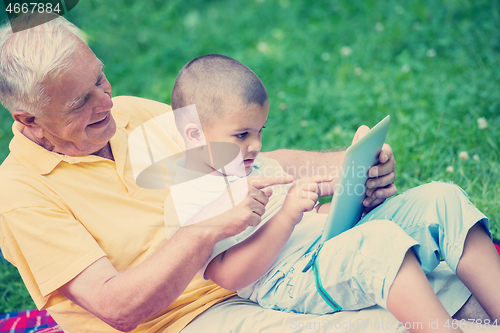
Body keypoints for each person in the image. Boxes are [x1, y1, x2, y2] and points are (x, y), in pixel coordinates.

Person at [0, 14, 493, 333]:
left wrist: (350, 166)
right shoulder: (21, 195)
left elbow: (240, 160)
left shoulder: (128, 113)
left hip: (280, 257)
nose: (106, 101)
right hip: (189, 318)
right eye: (81, 100)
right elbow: (119, 306)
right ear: (29, 119)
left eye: (100, 77)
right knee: (388, 315)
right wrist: (219, 226)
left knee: (440, 262)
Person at [161, 54, 498, 333]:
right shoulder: (190, 198)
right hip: (287, 278)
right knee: (377, 243)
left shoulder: (256, 165)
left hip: (325, 248)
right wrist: (287, 216)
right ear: (195, 134)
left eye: (260, 131)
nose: (257, 144)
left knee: (441, 198)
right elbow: (230, 275)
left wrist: (348, 197)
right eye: (241, 134)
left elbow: (310, 217)